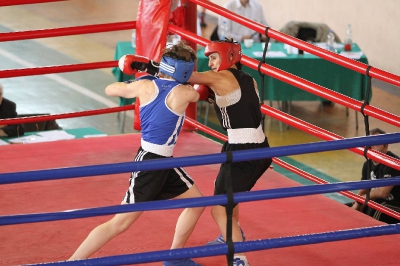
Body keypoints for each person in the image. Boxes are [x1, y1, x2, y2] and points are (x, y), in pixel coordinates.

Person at [68, 42, 204, 266]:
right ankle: (72, 262)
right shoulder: (184, 92)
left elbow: (110, 89)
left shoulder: (144, 86)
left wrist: (149, 72)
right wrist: (155, 70)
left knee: (198, 202)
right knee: (119, 223)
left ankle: (173, 257)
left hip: (163, 161)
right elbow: (197, 91)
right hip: (150, 164)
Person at [188, 39, 272, 266]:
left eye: (214, 57)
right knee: (228, 198)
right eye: (209, 58)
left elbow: (187, 75)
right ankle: (232, 234)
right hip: (257, 147)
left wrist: (151, 68)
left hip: (243, 152)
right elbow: (241, 107)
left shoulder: (221, 77)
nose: (211, 63)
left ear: (229, 57)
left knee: (218, 210)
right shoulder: (249, 80)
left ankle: (239, 259)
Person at [350, 128, 400, 224]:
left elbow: (383, 193)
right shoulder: (367, 165)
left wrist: (363, 199)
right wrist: (357, 203)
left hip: (396, 204)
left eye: (376, 144)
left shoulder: (394, 163)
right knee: (348, 209)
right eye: (370, 144)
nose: (372, 147)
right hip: (378, 202)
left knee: (375, 211)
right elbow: (363, 190)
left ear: (386, 146)